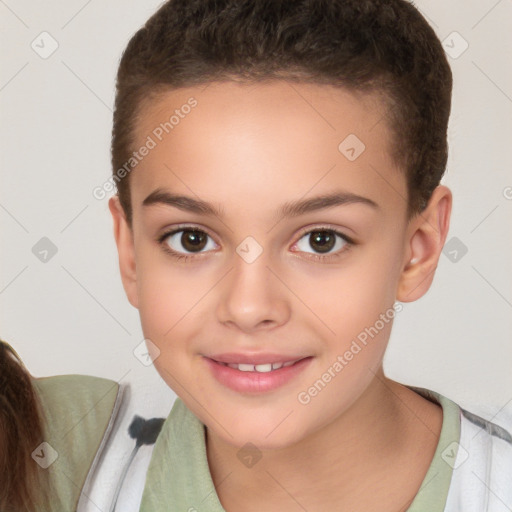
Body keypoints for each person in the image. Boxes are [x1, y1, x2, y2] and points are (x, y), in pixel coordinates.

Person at [2, 0, 511, 510]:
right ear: (130, 250)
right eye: (191, 239)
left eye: (321, 240)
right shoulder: (40, 451)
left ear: (416, 252)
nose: (248, 307)